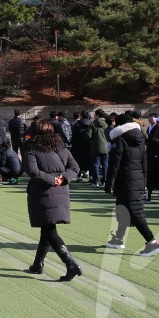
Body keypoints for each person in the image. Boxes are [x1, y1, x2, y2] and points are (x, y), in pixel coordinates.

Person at [23, 120, 83, 281]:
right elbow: (75, 167)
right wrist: (62, 178)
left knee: (49, 230)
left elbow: (32, 171)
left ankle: (70, 264)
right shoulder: (60, 145)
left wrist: (52, 180)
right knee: (47, 228)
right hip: (61, 189)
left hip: (43, 191)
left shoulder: (31, 146)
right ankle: (38, 264)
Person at [104, 113, 159, 256]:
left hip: (125, 180)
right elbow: (144, 162)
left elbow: (114, 164)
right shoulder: (140, 138)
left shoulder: (119, 140)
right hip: (137, 180)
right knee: (123, 208)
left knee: (135, 213)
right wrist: (144, 181)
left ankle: (152, 242)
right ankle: (118, 238)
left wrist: (108, 183)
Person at [89, 109, 110, 189]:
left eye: (95, 114)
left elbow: (89, 135)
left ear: (97, 115)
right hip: (106, 147)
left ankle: (95, 181)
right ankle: (104, 181)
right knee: (105, 165)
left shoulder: (93, 123)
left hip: (96, 147)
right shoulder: (107, 123)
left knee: (96, 164)